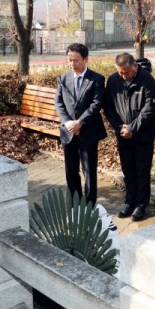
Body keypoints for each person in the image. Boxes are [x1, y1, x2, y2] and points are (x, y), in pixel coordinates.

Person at [104, 53, 155, 222]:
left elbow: (149, 110)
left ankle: (141, 205)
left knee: (142, 171)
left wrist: (132, 128)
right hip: (123, 135)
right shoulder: (114, 80)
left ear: (134, 66)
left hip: (143, 135)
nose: (123, 75)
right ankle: (129, 201)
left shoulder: (148, 81)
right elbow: (108, 107)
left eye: (126, 72)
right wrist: (119, 127)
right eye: (120, 72)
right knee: (128, 170)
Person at [55, 43, 107, 205]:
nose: (72, 64)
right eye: (69, 60)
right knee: (71, 170)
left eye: (76, 60)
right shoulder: (63, 78)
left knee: (89, 170)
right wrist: (68, 122)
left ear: (86, 59)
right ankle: (74, 201)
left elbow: (96, 104)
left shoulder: (96, 79)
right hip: (68, 131)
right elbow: (58, 102)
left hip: (88, 131)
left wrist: (80, 122)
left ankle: (90, 203)